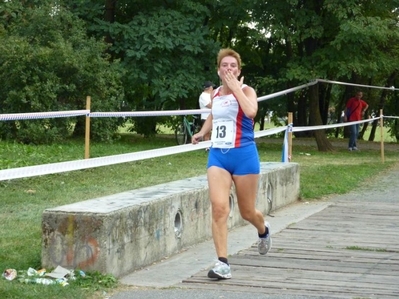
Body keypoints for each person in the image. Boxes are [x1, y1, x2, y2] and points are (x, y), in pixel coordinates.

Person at [192, 48, 271, 280]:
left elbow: (251, 111)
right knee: (219, 207)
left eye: (233, 66)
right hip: (219, 155)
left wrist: (236, 88)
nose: (229, 69)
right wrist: (201, 132)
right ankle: (222, 263)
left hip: (244, 155)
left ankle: (263, 230)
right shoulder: (215, 94)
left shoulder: (247, 90)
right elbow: (214, 115)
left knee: (247, 211)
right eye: (225, 65)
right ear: (218, 70)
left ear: (239, 70)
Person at [198, 81, 215, 149]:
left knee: (213, 131)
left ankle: (211, 145)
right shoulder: (203, 96)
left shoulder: (211, 95)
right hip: (205, 116)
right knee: (207, 132)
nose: (212, 88)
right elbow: (209, 105)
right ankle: (206, 147)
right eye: (211, 87)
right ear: (209, 87)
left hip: (213, 116)